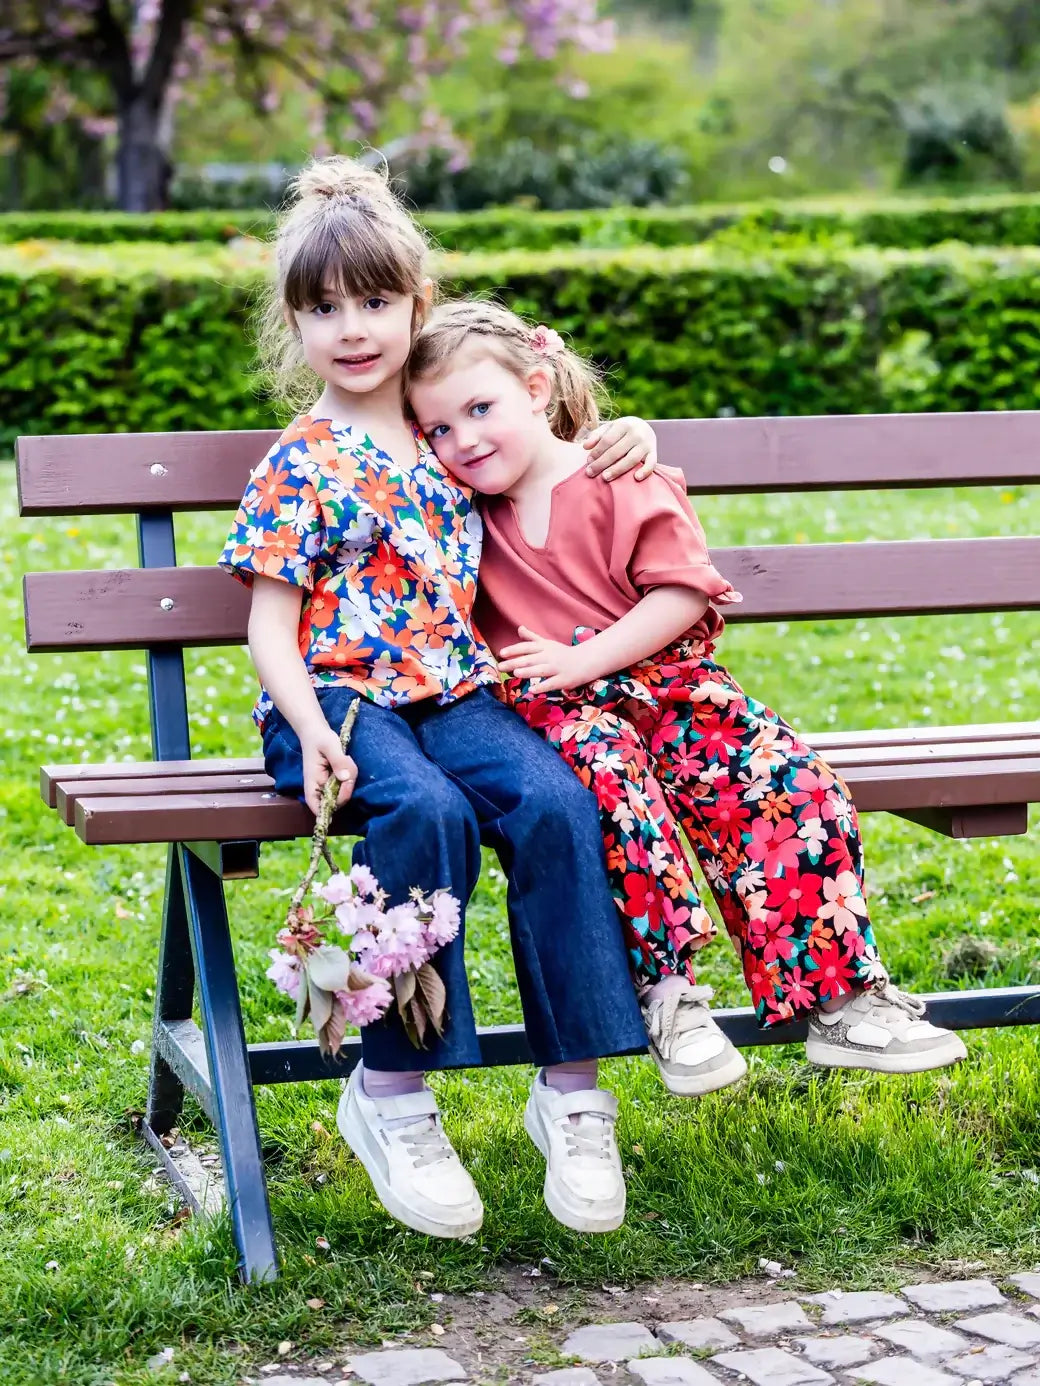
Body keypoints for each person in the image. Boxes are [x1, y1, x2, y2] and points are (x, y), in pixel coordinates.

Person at [219, 155, 667, 1241]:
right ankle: (390, 1094)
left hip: (455, 690)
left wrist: (626, 440)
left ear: (416, 304)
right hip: (340, 704)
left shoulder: (440, 436)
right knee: (426, 811)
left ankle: (570, 1092)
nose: (353, 327)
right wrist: (316, 726)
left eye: (375, 301)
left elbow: (545, 441)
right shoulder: (301, 460)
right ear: (295, 324)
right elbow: (267, 625)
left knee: (556, 803)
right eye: (323, 308)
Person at [407, 300, 970, 1085]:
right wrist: (574, 675)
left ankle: (843, 1004)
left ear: (537, 388)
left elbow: (679, 595)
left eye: (479, 409)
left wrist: (592, 655)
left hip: (672, 689)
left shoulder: (622, 475)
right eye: (437, 428)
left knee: (789, 786)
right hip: (562, 712)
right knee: (610, 791)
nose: (462, 440)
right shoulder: (456, 508)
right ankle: (670, 996)